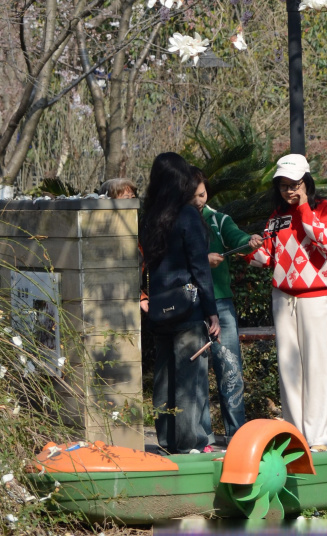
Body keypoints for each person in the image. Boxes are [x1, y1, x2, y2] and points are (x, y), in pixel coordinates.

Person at [247, 154, 327, 451]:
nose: (290, 191)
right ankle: (295, 435)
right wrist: (251, 250)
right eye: (284, 186)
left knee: (317, 366)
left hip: (317, 296)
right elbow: (268, 259)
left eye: (295, 184)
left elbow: (325, 239)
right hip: (283, 297)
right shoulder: (276, 217)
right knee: (289, 370)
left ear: (307, 183)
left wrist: (304, 208)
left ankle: (320, 438)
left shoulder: (323, 209)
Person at [139, 152, 220, 454]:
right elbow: (199, 267)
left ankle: (167, 440)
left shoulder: (149, 216)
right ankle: (190, 442)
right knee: (189, 376)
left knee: (164, 377)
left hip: (159, 309)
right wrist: (211, 312)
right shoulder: (187, 215)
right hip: (187, 307)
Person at [190, 168, 262, 441]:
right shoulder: (178, 222)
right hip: (191, 303)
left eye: (202, 194)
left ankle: (237, 434)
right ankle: (201, 436)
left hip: (220, 302)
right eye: (193, 195)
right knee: (196, 373)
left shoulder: (219, 220)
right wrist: (201, 259)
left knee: (230, 367)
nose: (199, 200)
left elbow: (238, 239)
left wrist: (248, 241)